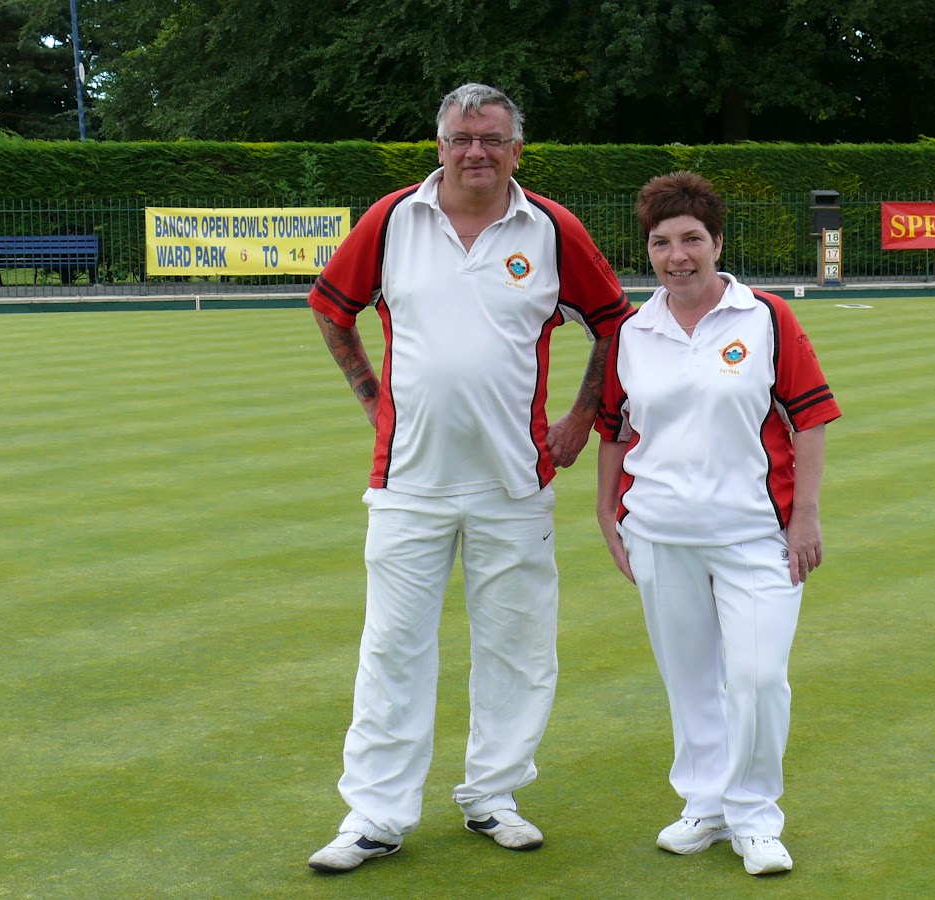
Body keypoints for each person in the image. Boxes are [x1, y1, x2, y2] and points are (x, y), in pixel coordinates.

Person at [305, 82, 632, 873]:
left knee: (517, 647)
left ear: (517, 149)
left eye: (491, 138)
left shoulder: (552, 228)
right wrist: (374, 400)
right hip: (408, 481)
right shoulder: (391, 219)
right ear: (440, 145)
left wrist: (585, 416)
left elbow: (616, 321)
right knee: (391, 649)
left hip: (514, 482)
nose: (475, 151)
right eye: (461, 137)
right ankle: (376, 816)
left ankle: (494, 795)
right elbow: (330, 305)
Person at [594, 172, 841, 877]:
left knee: (759, 676)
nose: (678, 255)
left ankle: (756, 815)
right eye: (662, 242)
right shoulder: (632, 332)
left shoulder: (763, 317)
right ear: (650, 250)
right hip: (661, 532)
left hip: (756, 535)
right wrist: (607, 512)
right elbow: (615, 430)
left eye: (692, 239)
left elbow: (813, 417)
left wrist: (805, 519)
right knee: (690, 681)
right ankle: (704, 803)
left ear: (717, 242)